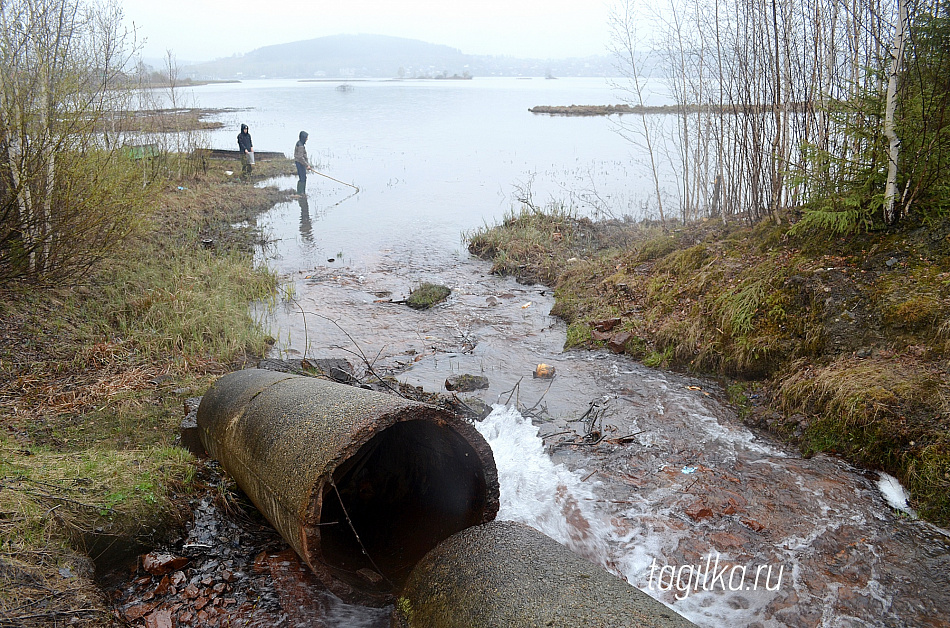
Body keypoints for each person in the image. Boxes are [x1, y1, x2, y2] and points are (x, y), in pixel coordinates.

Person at [294, 130, 315, 196]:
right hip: (300, 163)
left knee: (302, 178)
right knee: (302, 178)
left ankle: (301, 192)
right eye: (306, 137)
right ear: (303, 138)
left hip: (299, 163)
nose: (307, 139)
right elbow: (300, 157)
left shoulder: (299, 143)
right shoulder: (300, 146)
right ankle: (301, 193)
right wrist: (307, 165)